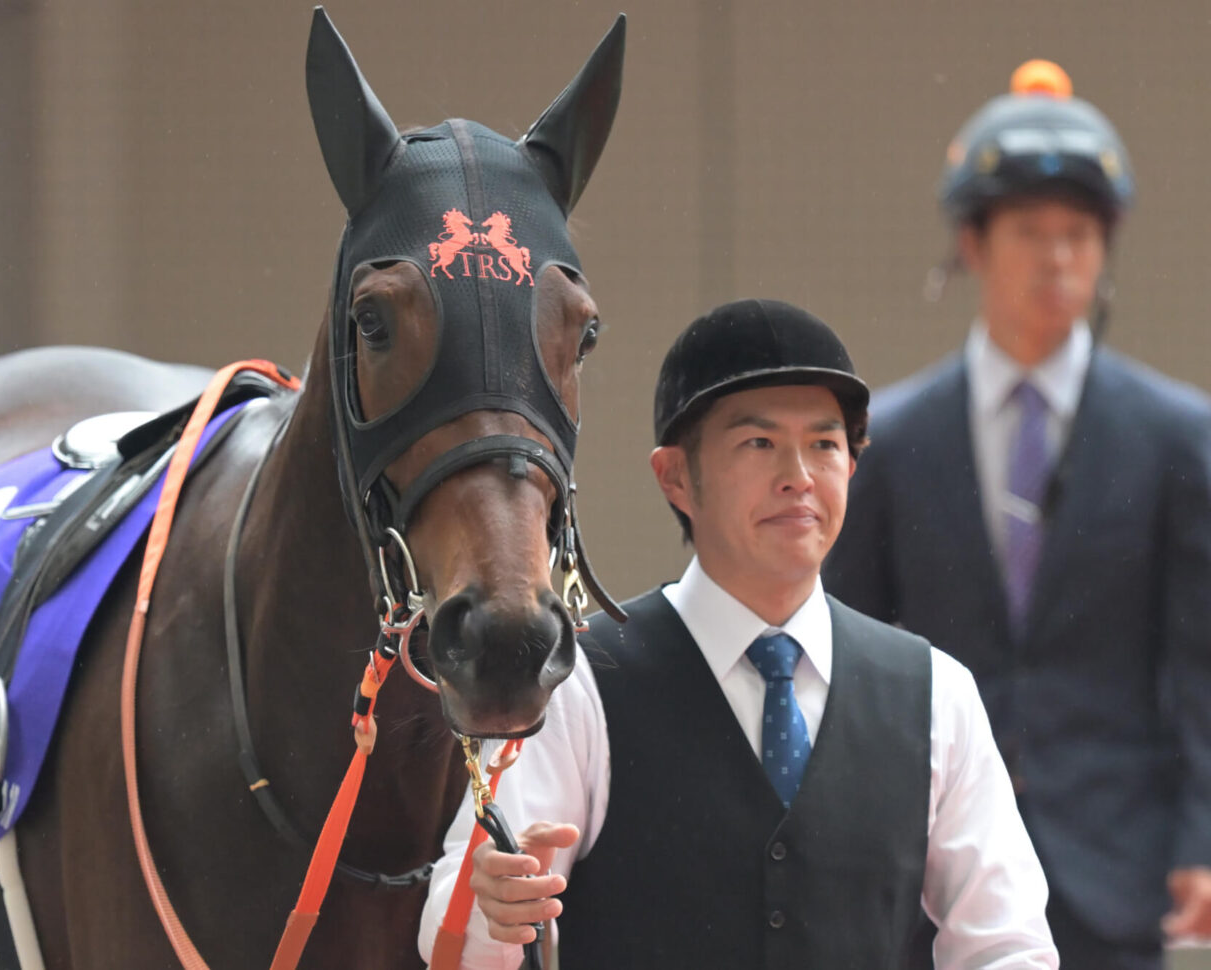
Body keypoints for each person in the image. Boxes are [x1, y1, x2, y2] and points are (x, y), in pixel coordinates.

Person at [418, 298, 1058, 968]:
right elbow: (447, 941)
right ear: (675, 477)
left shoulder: (936, 694)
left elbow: (1007, 944)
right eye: (759, 444)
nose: (799, 478)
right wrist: (491, 914)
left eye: (824, 444)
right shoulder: (579, 683)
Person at [823, 60, 1211, 970]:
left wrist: (1203, 835)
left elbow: (1202, 660)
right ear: (971, 242)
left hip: (1115, 860)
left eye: (1080, 233)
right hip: (921, 858)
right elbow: (848, 645)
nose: (1059, 258)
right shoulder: (887, 437)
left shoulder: (1178, 438)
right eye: (1031, 232)